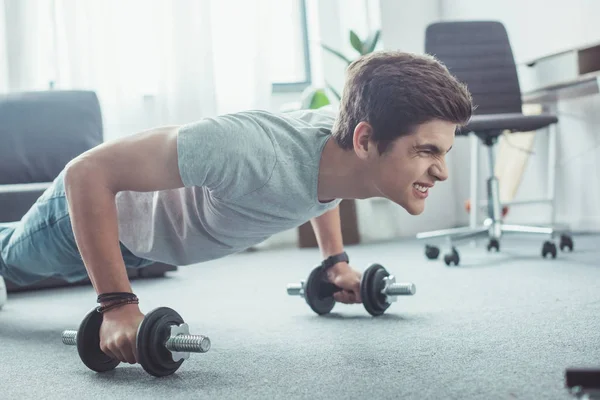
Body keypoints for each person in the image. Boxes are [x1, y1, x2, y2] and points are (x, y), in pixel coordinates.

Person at [0, 50, 473, 364]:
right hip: (83, 218)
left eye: (445, 152)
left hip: (146, 249)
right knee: (9, 268)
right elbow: (88, 173)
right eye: (426, 151)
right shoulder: (245, 148)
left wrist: (335, 262)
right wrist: (117, 304)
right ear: (366, 140)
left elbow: (321, 188)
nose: (441, 172)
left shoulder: (347, 156)